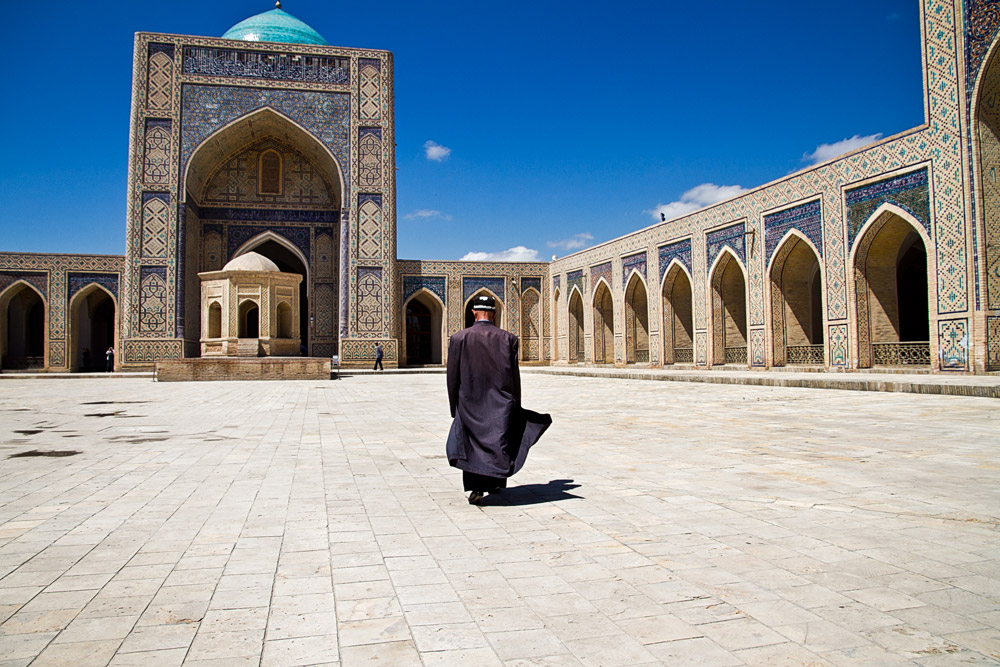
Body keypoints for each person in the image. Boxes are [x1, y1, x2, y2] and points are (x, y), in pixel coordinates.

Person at [446, 294, 551, 504]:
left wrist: (453, 405)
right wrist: (516, 404)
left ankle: (477, 486)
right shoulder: (508, 338)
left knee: (472, 445)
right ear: (494, 313)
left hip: (470, 401)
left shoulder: (459, 338)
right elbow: (514, 376)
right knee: (497, 441)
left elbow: (452, 377)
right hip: (500, 402)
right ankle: (494, 483)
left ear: (473, 312)